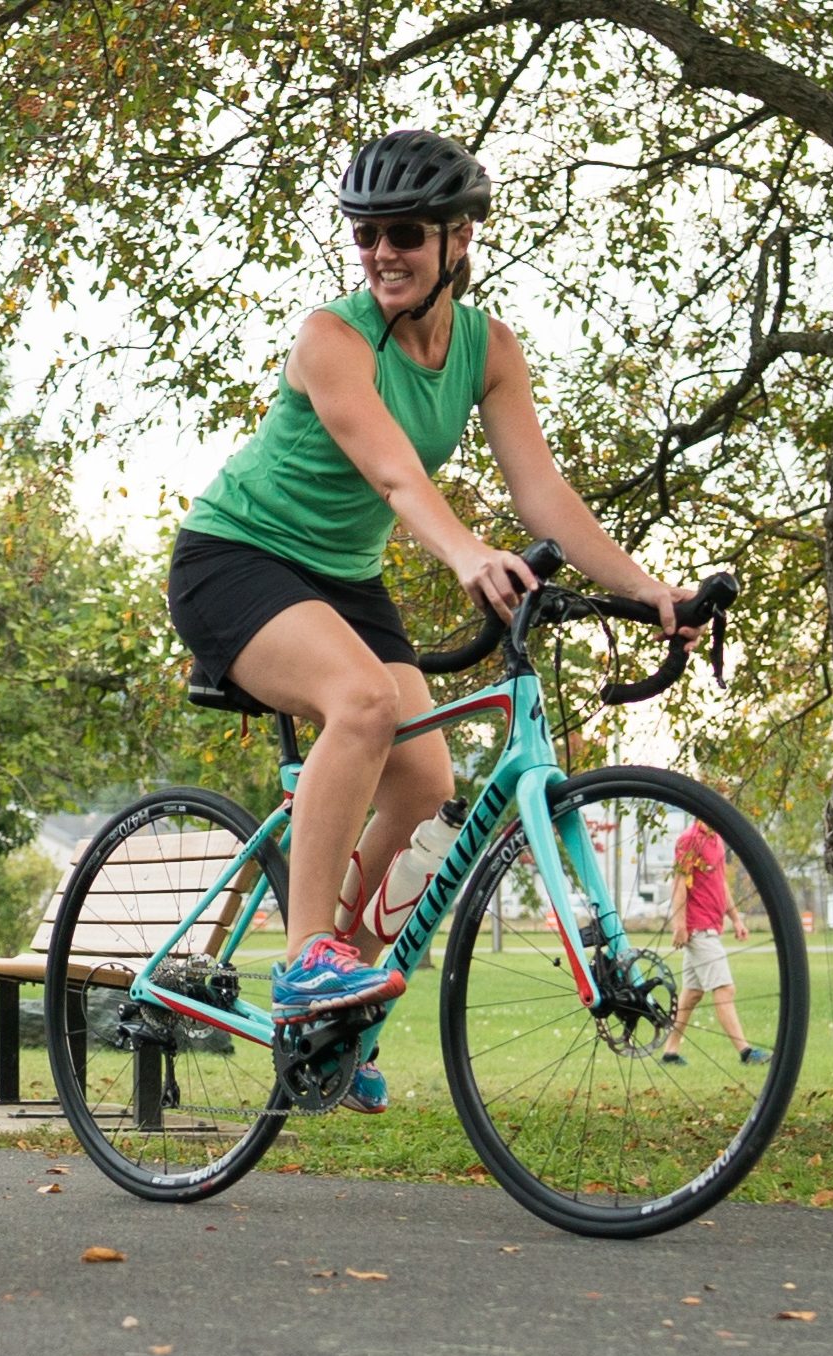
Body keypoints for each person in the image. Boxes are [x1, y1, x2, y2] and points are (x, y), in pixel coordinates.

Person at [166, 130, 693, 1113]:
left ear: (461, 240)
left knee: (424, 778)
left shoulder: (488, 351)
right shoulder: (334, 337)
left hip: (342, 580)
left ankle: (342, 1008)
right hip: (235, 559)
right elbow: (393, 470)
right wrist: (463, 553)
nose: (381, 253)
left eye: (403, 233)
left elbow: (546, 498)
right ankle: (304, 961)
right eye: (365, 234)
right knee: (363, 703)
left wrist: (648, 587)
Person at [655, 813, 768, 1066]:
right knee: (725, 988)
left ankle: (670, 1052)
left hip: (711, 926)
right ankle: (746, 1052)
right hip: (698, 929)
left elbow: (721, 885)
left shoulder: (716, 838)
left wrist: (736, 919)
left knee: (692, 993)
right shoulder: (689, 840)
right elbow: (679, 882)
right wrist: (679, 925)